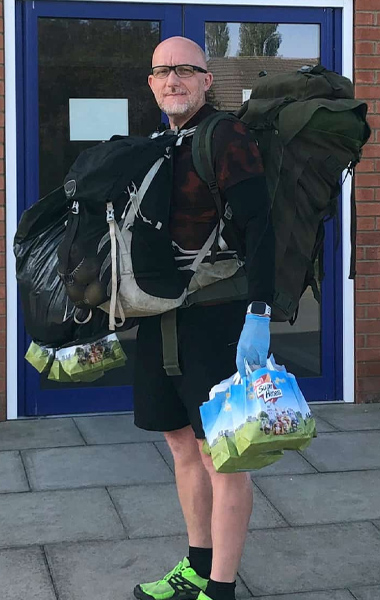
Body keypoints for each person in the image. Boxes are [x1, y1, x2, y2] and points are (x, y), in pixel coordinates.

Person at [133, 36, 274, 600]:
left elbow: (261, 227)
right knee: (181, 444)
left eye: (185, 70)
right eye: (163, 72)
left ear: (207, 79)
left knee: (224, 456)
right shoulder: (160, 143)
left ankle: (220, 589)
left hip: (218, 318)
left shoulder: (226, 136)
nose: (173, 80)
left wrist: (259, 313)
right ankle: (196, 565)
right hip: (161, 316)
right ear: (150, 84)